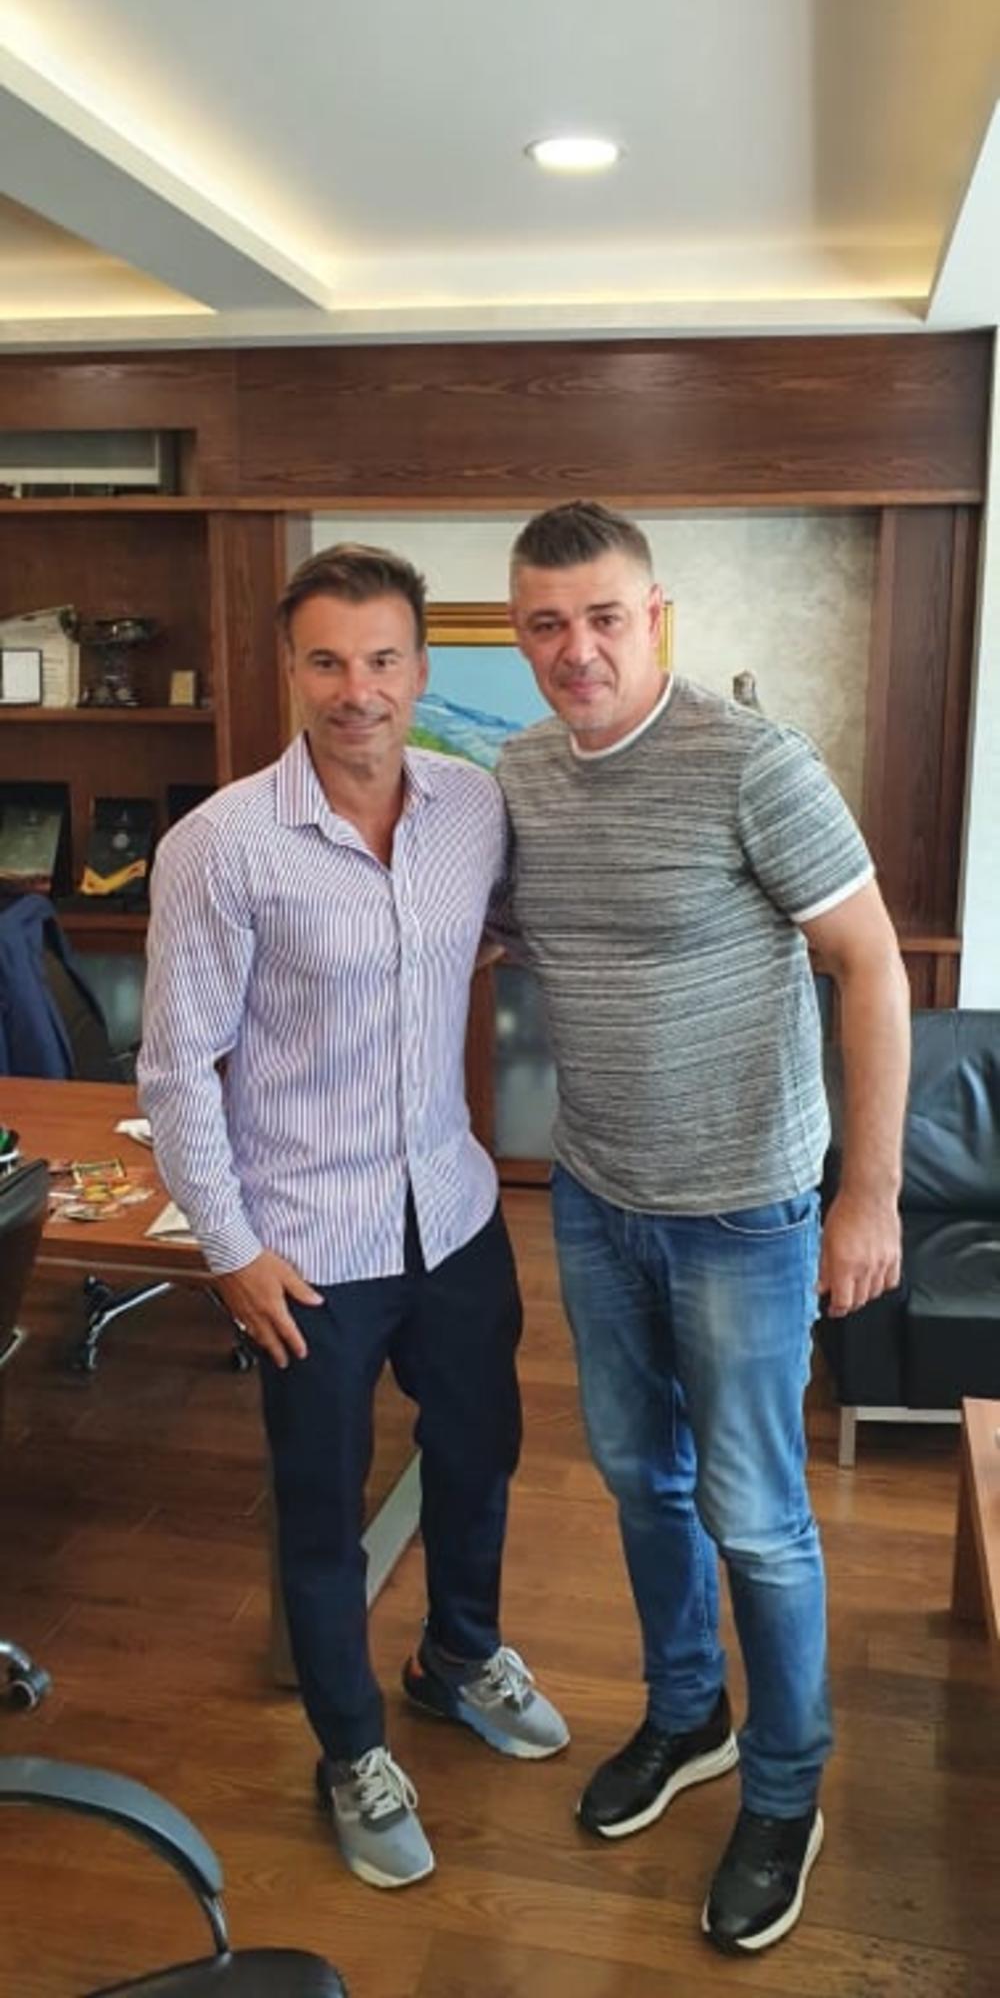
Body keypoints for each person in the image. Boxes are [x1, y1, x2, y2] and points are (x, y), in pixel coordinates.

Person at [497, 500, 910, 1955]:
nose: (578, 649)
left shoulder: (752, 761)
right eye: (547, 623)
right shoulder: (520, 775)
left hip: (746, 1212)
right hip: (598, 1198)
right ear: (521, 633)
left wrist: (867, 1194)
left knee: (758, 1517)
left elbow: (871, 966)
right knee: (639, 1482)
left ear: (655, 615)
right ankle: (691, 1717)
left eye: (604, 617)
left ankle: (786, 1789)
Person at [139, 541, 568, 1894]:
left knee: (481, 1453)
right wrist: (229, 1251)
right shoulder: (221, 845)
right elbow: (175, 1069)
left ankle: (458, 1657)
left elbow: (509, 933)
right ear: (291, 669)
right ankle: (351, 1751)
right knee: (322, 1511)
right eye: (326, 661)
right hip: (306, 1246)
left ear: (421, 668)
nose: (356, 689)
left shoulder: (472, 808)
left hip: (453, 1210)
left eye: (382, 659)